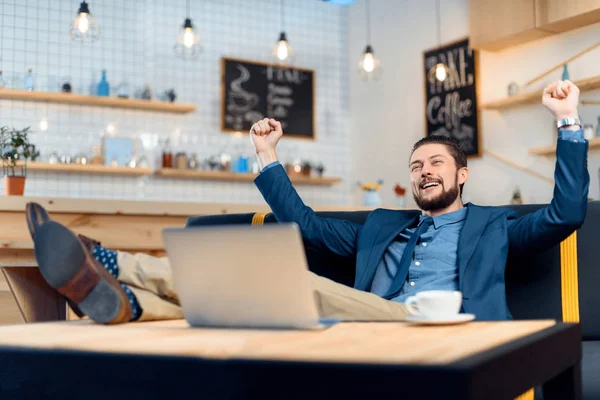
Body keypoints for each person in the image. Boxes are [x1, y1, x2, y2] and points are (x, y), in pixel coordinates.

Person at [26, 80, 588, 324]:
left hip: (451, 329)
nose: (424, 172)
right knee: (247, 302)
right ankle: (131, 301)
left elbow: (565, 213)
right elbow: (307, 226)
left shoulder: (495, 227)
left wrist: (567, 122)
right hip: (372, 330)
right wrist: (268, 156)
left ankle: (115, 262)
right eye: (416, 166)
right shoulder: (382, 225)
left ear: (462, 175)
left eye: (437, 163)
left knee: (302, 288)